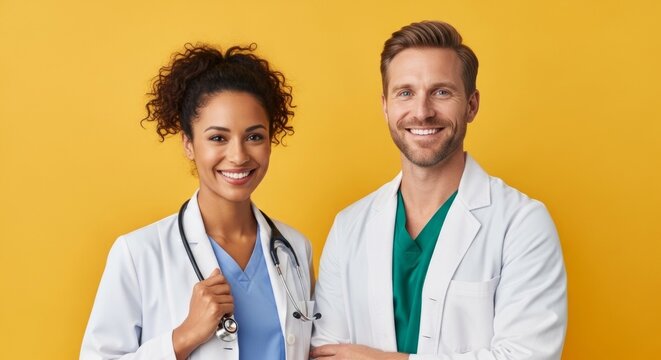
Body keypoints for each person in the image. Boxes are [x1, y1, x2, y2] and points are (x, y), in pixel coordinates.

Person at [311, 21, 567, 360]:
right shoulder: (349, 227)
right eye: (405, 93)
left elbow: (529, 355)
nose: (422, 111)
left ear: (472, 105)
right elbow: (327, 353)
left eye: (441, 92)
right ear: (386, 106)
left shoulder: (521, 223)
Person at [81, 43, 315, 360]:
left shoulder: (295, 248)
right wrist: (184, 337)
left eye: (254, 136)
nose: (238, 155)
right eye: (218, 138)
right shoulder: (138, 254)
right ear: (188, 144)